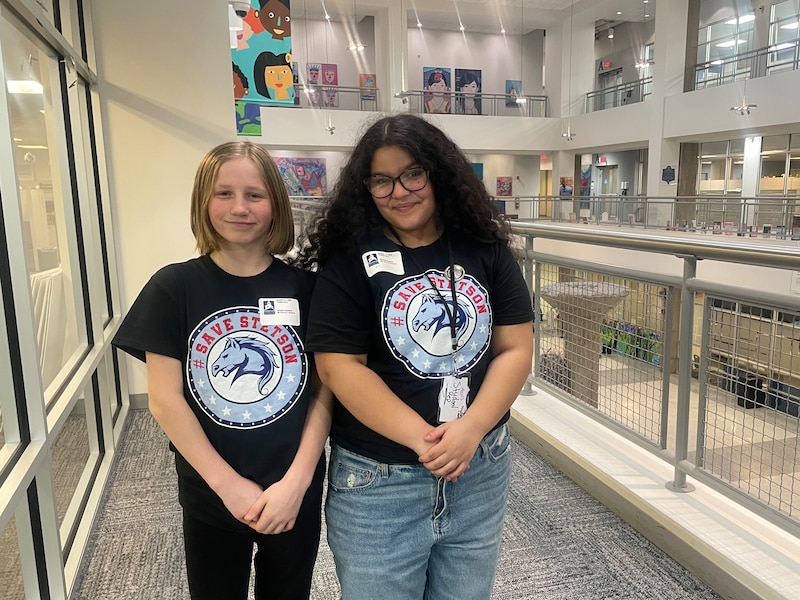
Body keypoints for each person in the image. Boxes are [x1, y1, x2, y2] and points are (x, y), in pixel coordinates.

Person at [297, 114, 534, 599]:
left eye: (412, 174)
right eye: (381, 180)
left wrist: (469, 431)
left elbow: (515, 348)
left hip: (479, 467)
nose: (399, 191)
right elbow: (339, 368)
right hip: (379, 482)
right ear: (367, 188)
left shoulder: (483, 247)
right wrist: (426, 441)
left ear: (437, 173)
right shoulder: (349, 256)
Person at [113, 141, 332, 600]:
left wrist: (297, 482)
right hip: (211, 492)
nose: (239, 207)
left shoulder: (307, 289)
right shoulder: (174, 287)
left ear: (276, 202)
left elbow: (323, 392)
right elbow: (164, 398)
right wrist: (228, 486)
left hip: (292, 491)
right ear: (203, 202)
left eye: (254, 195)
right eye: (223, 193)